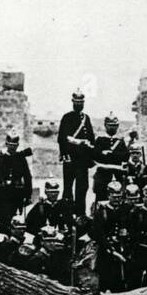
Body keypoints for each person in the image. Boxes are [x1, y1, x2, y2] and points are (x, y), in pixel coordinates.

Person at [57, 90, 96, 218]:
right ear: (73, 102)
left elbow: (91, 137)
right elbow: (62, 138)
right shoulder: (67, 117)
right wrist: (65, 154)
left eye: (81, 102)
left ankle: (80, 215)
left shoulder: (86, 118)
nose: (79, 104)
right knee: (68, 189)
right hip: (70, 159)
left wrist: (91, 154)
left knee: (82, 188)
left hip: (82, 161)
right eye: (76, 102)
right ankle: (66, 215)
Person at [0, 132, 33, 231]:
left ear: (18, 145)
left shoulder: (21, 160)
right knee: (4, 220)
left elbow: (27, 178)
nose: (12, 147)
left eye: (14, 145)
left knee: (13, 220)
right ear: (6, 144)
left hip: (15, 195)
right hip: (1, 194)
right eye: (10, 145)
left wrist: (27, 196)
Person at [90, 113, 129, 199]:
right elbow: (95, 155)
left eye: (114, 125)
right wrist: (114, 156)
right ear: (105, 125)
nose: (112, 127)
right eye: (110, 125)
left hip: (118, 174)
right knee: (101, 197)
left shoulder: (120, 141)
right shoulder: (100, 140)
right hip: (103, 174)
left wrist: (108, 154)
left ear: (118, 126)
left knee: (119, 197)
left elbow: (125, 156)